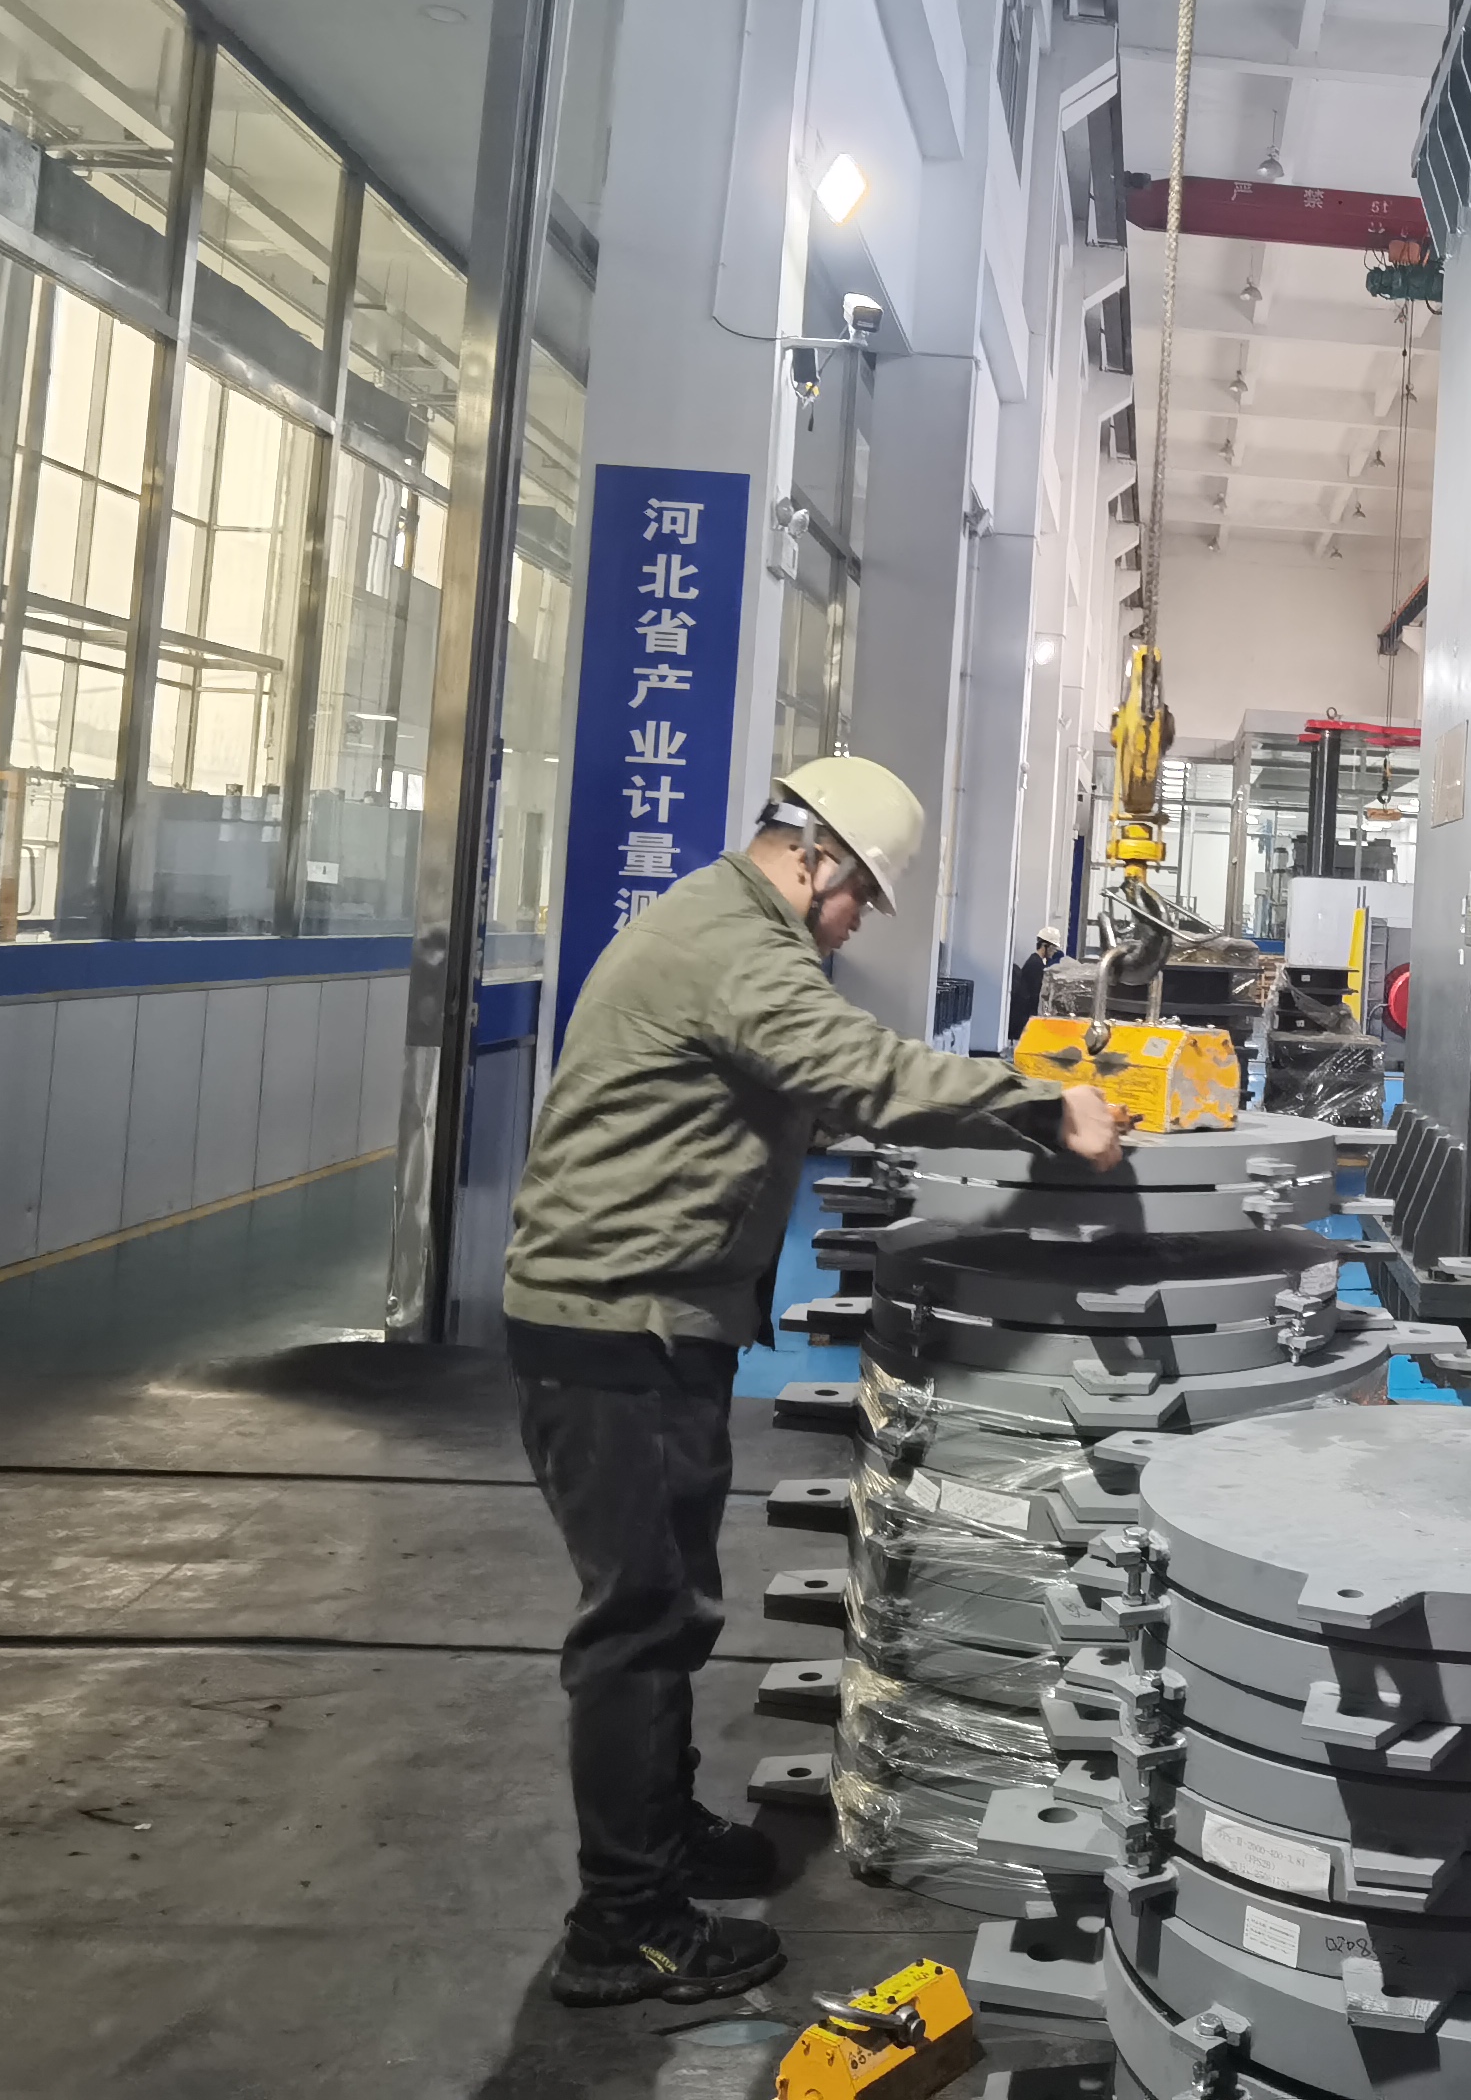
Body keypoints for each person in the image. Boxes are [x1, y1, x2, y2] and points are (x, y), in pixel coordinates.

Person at [501, 753, 1124, 2007]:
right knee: (639, 1622)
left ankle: (661, 1839)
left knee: (671, 1605)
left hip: (645, 1319)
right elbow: (862, 1072)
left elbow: (791, 1085)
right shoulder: (739, 945)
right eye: (859, 903)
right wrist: (1044, 1107)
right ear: (818, 859)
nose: (853, 928)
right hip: (617, 1326)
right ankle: (623, 1923)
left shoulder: (717, 924)